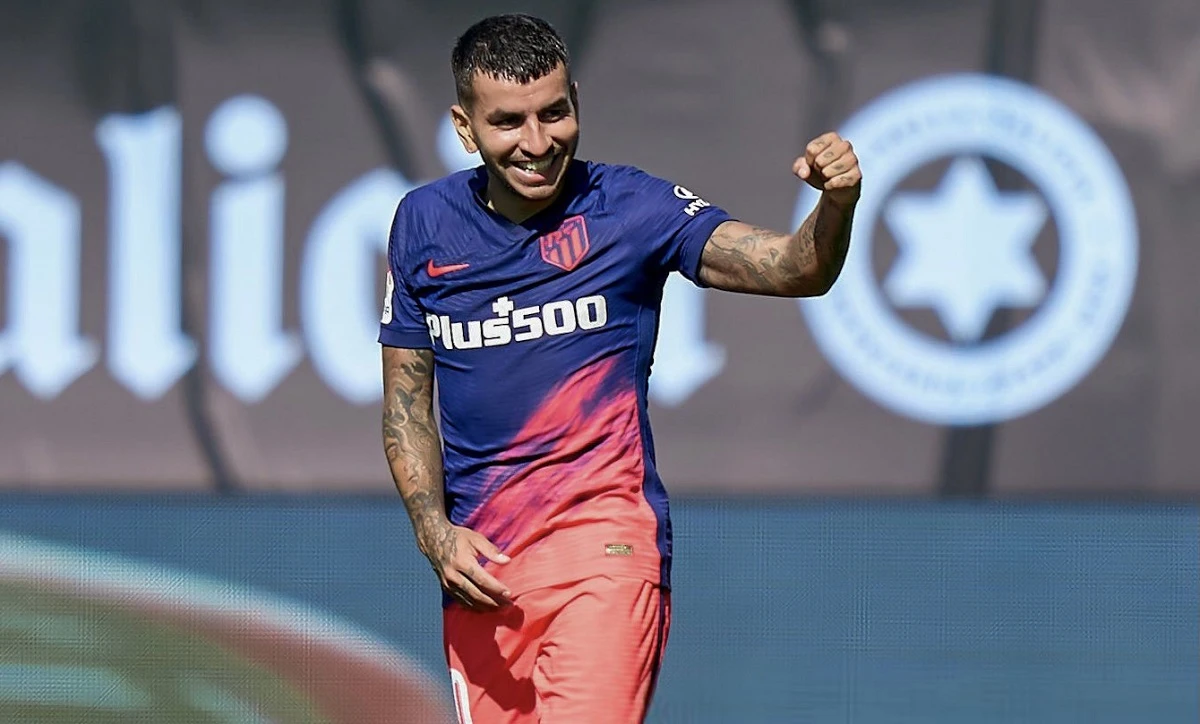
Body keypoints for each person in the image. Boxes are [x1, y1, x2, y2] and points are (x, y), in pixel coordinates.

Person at [378, 13, 860, 724]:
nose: (537, 143)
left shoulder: (632, 207)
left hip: (605, 547)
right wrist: (433, 532)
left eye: (554, 113)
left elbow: (797, 268)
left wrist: (837, 201)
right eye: (508, 122)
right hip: (485, 574)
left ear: (576, 99)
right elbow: (404, 403)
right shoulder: (423, 222)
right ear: (464, 127)